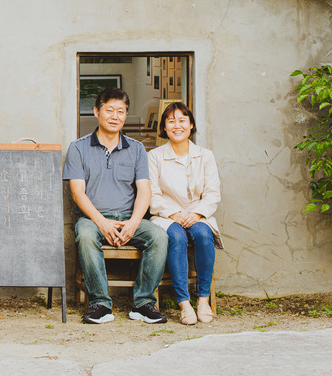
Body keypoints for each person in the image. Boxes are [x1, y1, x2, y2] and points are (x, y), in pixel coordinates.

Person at [63, 87, 168, 324]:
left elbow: (144, 191)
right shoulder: (78, 148)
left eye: (120, 111)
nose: (115, 116)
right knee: (86, 235)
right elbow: (78, 193)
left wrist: (133, 223)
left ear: (125, 115)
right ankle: (100, 304)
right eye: (109, 110)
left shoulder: (137, 149)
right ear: (96, 112)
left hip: (130, 218)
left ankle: (143, 304)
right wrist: (102, 222)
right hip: (93, 219)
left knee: (160, 236)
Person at [148, 101, 222, 325]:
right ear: (164, 127)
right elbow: (152, 193)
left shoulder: (205, 155)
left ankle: (202, 299)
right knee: (177, 237)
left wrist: (198, 214)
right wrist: (174, 214)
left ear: (191, 125)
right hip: (166, 216)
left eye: (182, 120)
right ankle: (184, 303)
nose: (176, 125)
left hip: (197, 214)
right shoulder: (155, 156)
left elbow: (212, 193)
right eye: (171, 121)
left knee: (202, 235)